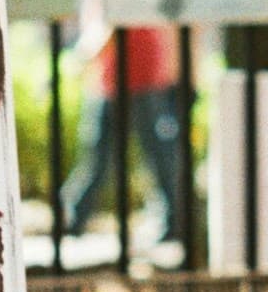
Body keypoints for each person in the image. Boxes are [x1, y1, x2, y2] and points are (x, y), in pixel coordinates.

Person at [62, 22, 191, 244]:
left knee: (142, 155)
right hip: (117, 80)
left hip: (137, 78)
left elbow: (111, 25)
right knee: (144, 155)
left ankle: (171, 222)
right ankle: (73, 218)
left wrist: (83, 58)